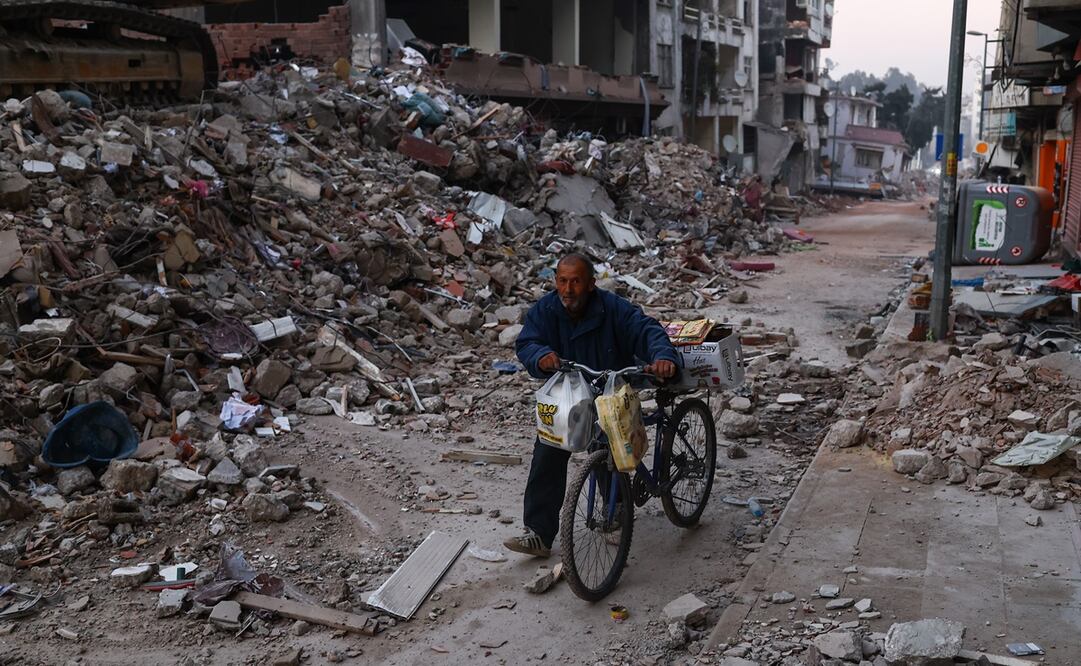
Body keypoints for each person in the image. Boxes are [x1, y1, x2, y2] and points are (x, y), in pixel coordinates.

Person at [505, 253, 680, 557]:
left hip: (610, 387)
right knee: (548, 448)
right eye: (562, 281)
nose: (568, 289)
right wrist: (541, 356)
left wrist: (663, 356)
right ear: (555, 281)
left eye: (575, 282)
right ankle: (539, 533)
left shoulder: (612, 308)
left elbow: (646, 330)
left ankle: (616, 512)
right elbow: (527, 342)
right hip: (570, 392)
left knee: (609, 445)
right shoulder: (546, 309)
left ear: (590, 284)